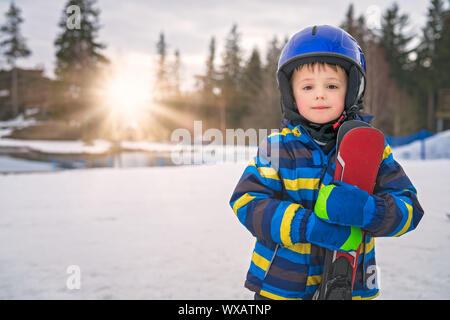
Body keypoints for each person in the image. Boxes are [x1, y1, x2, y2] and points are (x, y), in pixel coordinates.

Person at [229, 25, 424, 300]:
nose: (319, 94)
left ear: (352, 90)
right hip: (280, 288)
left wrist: (369, 211)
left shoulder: (372, 150)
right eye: (307, 86)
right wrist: (304, 225)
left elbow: (409, 209)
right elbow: (247, 201)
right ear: (291, 94)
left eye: (332, 85)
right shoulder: (276, 147)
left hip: (350, 287)